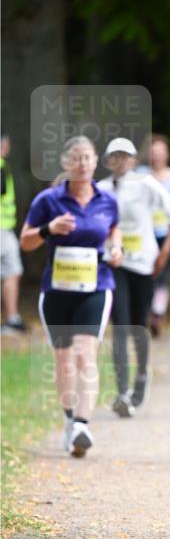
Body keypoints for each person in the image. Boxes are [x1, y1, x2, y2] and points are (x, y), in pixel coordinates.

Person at [19, 135, 122, 456]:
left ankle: (82, 425)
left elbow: (114, 230)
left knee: (84, 354)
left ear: (96, 162)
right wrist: (49, 229)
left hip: (96, 287)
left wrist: (116, 248)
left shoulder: (107, 200)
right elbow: (25, 241)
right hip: (57, 291)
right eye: (76, 158)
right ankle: (68, 420)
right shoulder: (48, 201)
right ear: (66, 163)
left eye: (88, 157)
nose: (83, 163)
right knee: (64, 362)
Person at [98, 138, 170, 417]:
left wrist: (165, 251)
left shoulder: (146, 185)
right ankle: (122, 392)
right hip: (116, 264)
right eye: (115, 156)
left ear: (134, 159)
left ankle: (141, 378)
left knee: (138, 325)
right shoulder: (101, 189)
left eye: (126, 156)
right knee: (120, 325)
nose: (120, 161)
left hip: (145, 264)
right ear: (108, 160)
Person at [137, 133, 170, 337]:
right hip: (143, 234)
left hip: (168, 233)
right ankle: (146, 311)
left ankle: (157, 313)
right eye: (153, 152)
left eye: (160, 152)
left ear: (167, 154)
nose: (156, 156)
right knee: (145, 272)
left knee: (162, 273)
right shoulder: (139, 174)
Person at [1, 135, 28, 333]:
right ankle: (11, 319)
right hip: (1, 230)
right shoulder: (1, 166)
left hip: (6, 230)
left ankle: (12, 319)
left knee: (12, 271)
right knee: (12, 272)